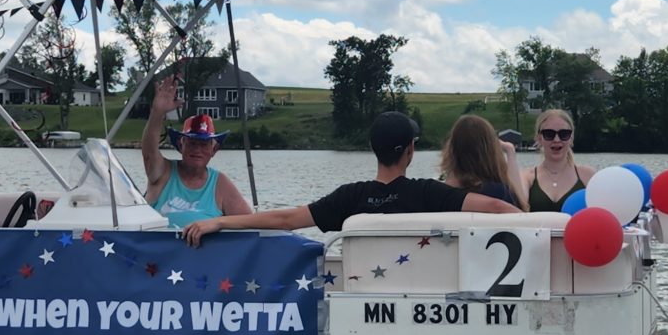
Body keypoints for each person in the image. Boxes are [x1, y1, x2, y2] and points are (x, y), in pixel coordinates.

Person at [182, 110, 517, 245]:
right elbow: (501, 210)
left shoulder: (350, 198)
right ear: (410, 152)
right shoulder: (432, 194)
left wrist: (221, 223)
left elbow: (285, 219)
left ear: (373, 149)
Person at [139, 75, 253, 228]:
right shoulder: (163, 172)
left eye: (204, 144)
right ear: (181, 145)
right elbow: (149, 152)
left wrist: (219, 223)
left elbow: (250, 223)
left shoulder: (220, 183)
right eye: (192, 142)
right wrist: (157, 112)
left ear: (214, 150)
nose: (197, 149)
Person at [440, 113, 526, 209]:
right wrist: (510, 152)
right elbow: (522, 209)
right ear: (490, 150)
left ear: (452, 149)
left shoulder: (439, 193)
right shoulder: (499, 193)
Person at [519, 107, 596, 213]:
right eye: (549, 134)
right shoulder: (526, 177)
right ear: (539, 138)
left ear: (571, 138)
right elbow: (518, 209)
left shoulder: (588, 175)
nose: (556, 140)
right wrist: (510, 153)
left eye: (564, 134)